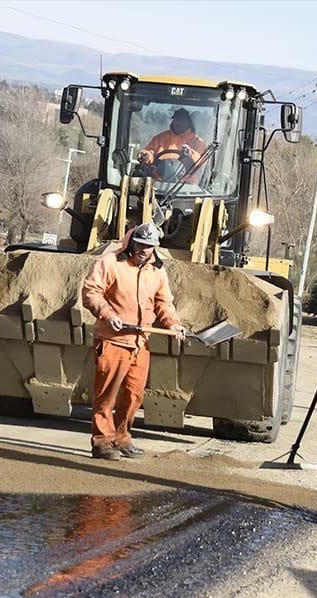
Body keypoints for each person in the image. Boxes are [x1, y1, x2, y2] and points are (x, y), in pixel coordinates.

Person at [81, 223, 186, 460]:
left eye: (150, 246)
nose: (144, 250)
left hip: (141, 342)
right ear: (131, 242)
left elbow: (163, 302)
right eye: (140, 244)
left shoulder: (157, 270)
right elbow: (91, 293)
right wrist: (108, 315)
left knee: (134, 396)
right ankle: (102, 443)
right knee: (106, 396)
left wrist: (173, 324)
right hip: (113, 340)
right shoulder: (109, 263)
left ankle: (121, 437)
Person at [137, 108, 207, 184]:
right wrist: (145, 155)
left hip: (184, 185)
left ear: (189, 123)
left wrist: (190, 154)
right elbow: (150, 151)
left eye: (183, 121)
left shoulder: (197, 141)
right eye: (177, 120)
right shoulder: (160, 138)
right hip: (157, 181)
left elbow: (201, 162)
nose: (179, 123)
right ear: (173, 121)